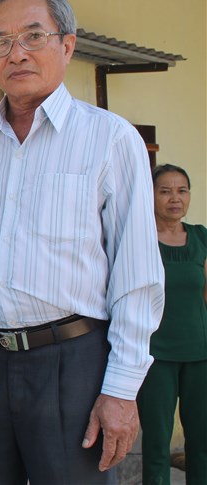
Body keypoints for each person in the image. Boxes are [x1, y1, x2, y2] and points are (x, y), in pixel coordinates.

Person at [0, 0, 165, 484]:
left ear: (67, 45)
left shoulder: (109, 139)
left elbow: (136, 275)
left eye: (34, 36)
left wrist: (121, 389)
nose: (17, 53)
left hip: (72, 363)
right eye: (0, 41)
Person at [137, 164, 207, 484]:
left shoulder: (201, 237)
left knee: (202, 443)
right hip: (156, 356)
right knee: (156, 445)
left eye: (182, 191)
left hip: (200, 355)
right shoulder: (139, 239)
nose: (175, 198)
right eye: (165, 191)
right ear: (150, 195)